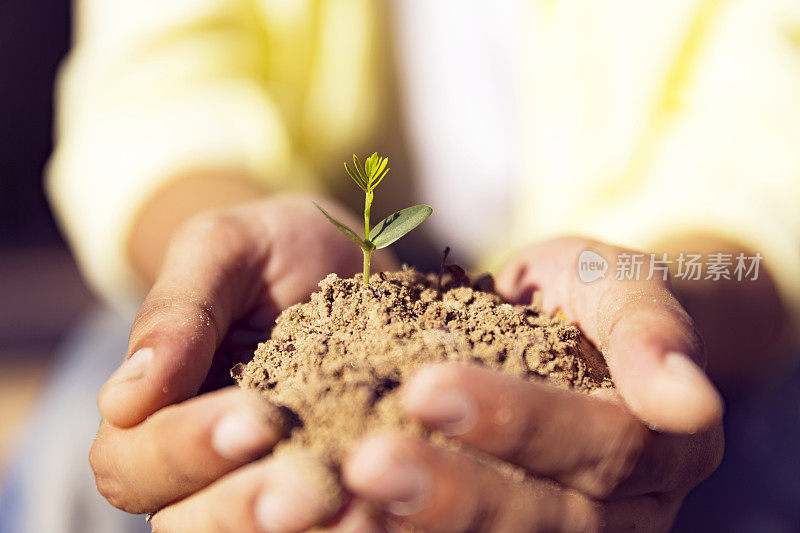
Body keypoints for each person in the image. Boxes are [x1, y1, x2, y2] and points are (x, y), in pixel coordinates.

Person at [6, 0, 800, 531]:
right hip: (306, 253)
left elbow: (769, 145)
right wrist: (223, 236)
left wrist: (658, 304)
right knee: (95, 418)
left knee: (743, 461)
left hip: (640, 271)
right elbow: (161, 82)